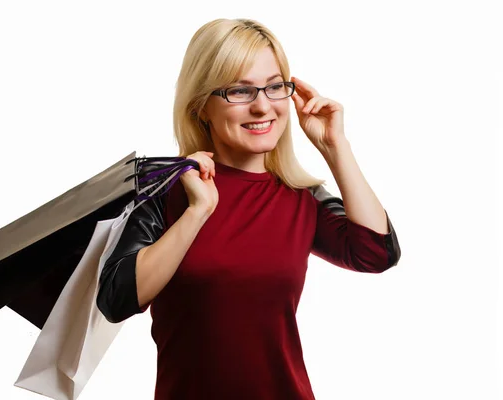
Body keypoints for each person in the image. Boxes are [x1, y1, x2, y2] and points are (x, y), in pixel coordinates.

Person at [97, 18, 401, 400]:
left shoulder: (300, 197)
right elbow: (116, 299)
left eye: (275, 87)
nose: (262, 106)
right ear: (201, 106)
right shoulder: (165, 190)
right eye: (240, 91)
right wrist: (197, 211)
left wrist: (335, 147)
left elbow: (376, 253)